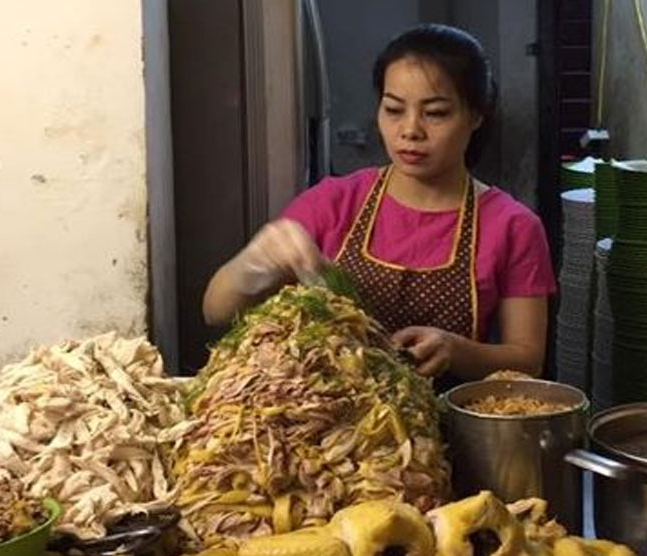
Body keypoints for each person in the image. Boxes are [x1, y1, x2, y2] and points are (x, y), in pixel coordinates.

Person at [204, 24, 556, 385]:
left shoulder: (513, 225)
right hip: (333, 416)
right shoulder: (335, 202)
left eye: (435, 113)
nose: (410, 130)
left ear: (476, 115)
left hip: (449, 426)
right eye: (393, 109)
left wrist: (455, 350)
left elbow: (527, 360)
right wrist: (254, 263)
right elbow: (215, 311)